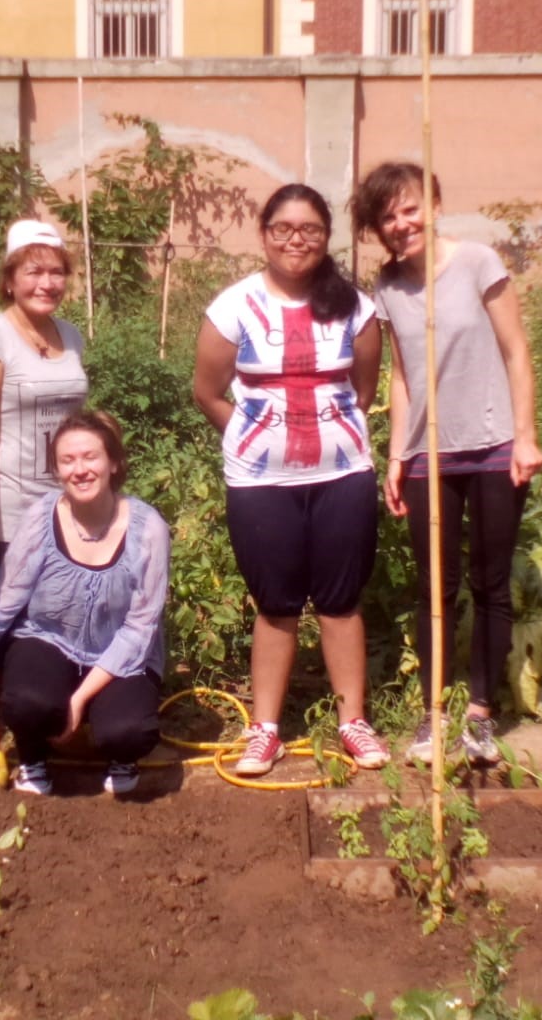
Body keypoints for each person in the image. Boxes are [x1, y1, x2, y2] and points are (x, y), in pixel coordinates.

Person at [191, 183, 388, 777]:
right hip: (258, 483)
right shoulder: (233, 307)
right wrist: (249, 435)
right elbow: (206, 391)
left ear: (327, 237)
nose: (295, 239)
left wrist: (324, 434)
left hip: (343, 475)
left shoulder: (355, 306)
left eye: (309, 230)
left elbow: (365, 391)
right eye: (283, 229)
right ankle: (266, 729)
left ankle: (353, 719)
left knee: (339, 602)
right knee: (275, 605)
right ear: (264, 234)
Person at [352, 161, 542, 765]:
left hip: (491, 446)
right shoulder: (387, 286)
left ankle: (482, 716)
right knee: (434, 586)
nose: (401, 223)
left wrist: (525, 436)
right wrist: (396, 452)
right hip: (428, 454)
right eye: (387, 216)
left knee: (490, 585)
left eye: (410, 208)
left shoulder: (478, 263)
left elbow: (516, 352)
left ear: (434, 204)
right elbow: (403, 374)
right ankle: (432, 715)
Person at [0, 411, 168, 797]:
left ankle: (116, 751)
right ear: (56, 470)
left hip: (117, 653)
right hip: (50, 641)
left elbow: (139, 631)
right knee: (27, 702)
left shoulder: (148, 528)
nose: (80, 470)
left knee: (128, 731)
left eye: (91, 457)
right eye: (68, 460)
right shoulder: (41, 517)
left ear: (114, 463)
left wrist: (79, 699)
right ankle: (33, 758)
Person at [0, 219, 88, 788]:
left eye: (56, 271)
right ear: (10, 279)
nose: (47, 282)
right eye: (34, 270)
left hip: (65, 506)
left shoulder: (72, 336)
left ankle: (42, 725)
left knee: (54, 615)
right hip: (12, 505)